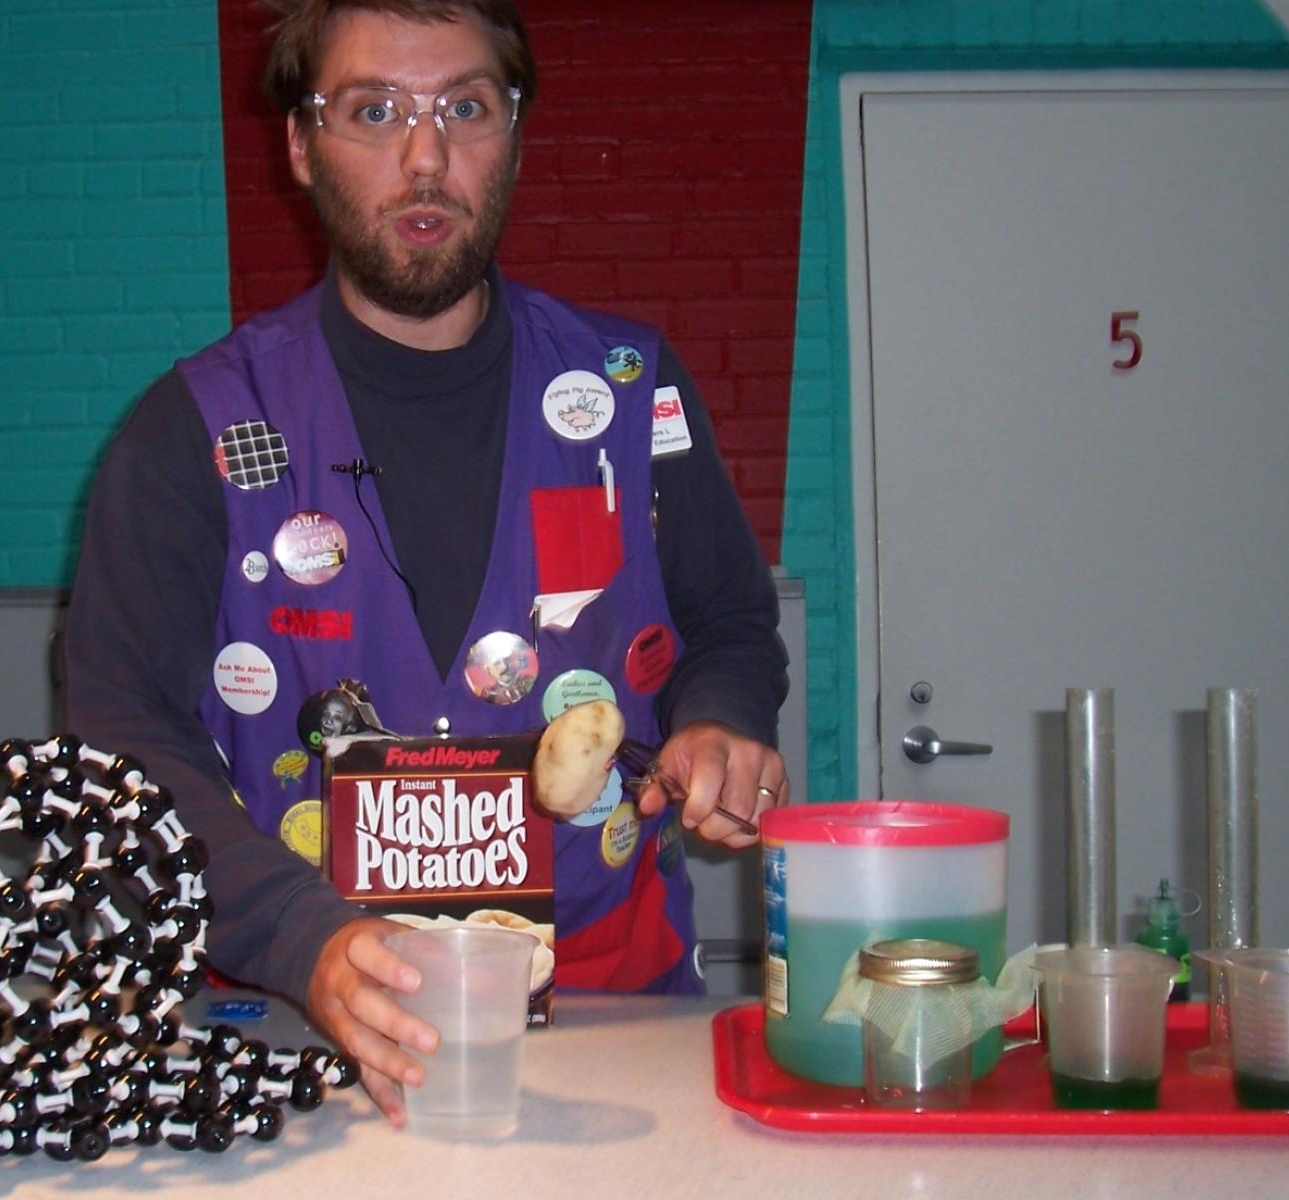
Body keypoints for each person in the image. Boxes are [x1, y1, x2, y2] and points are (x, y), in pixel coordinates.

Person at [66, 0, 789, 1124]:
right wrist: (297, 936)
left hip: (613, 1028)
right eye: (373, 109)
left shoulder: (632, 390)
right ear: (302, 145)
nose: (424, 156)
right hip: (292, 1032)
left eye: (464, 106)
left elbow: (731, 622)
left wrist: (724, 715)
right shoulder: (191, 429)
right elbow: (121, 733)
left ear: (515, 130)